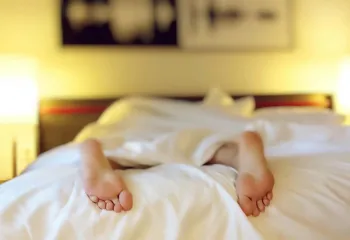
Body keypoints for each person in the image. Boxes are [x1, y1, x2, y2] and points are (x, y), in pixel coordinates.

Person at [80, 130, 274, 217]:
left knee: (129, 150)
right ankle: (238, 152)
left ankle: (98, 153)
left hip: (134, 135)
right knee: (206, 149)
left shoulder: (130, 111)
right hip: (202, 132)